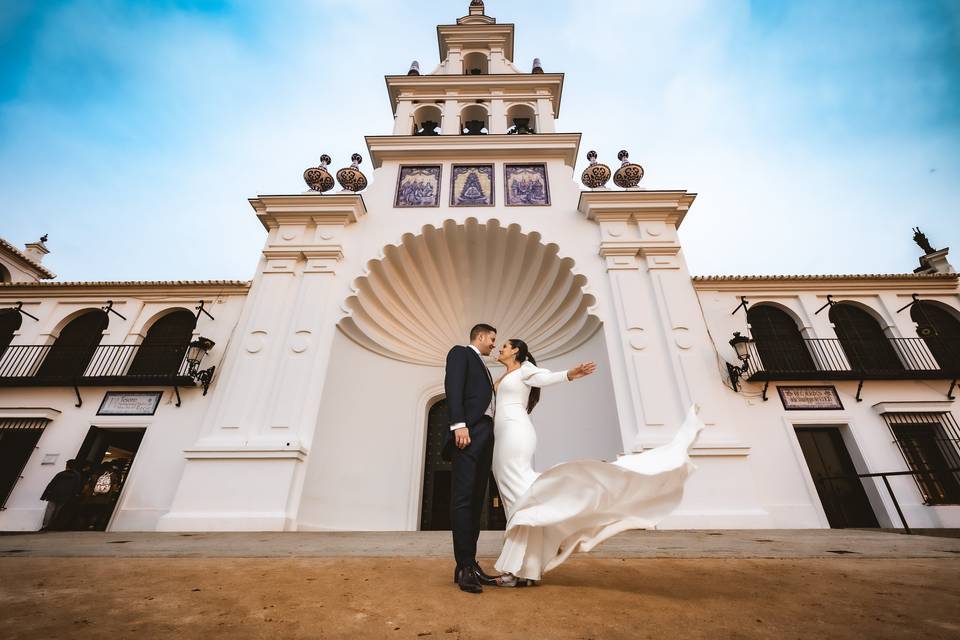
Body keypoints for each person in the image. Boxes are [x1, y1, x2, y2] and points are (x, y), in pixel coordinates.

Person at [490, 338, 705, 585]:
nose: (500, 349)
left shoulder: (526, 369)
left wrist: (571, 374)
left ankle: (517, 569)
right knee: (517, 495)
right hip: (504, 435)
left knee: (519, 495)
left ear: (516, 350)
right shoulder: (506, 374)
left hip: (516, 434)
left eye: (504, 346)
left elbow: (545, 378)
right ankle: (526, 568)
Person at [443, 323, 499, 594]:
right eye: (492, 339)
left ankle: (469, 564)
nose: (494, 344)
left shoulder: (485, 367)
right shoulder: (460, 354)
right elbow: (453, 388)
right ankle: (463, 566)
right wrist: (459, 424)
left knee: (477, 501)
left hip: (486, 434)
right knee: (464, 499)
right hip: (469, 431)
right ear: (480, 336)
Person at [39, 459, 83, 531]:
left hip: (54, 494)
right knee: (58, 512)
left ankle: (45, 526)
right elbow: (77, 487)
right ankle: (52, 526)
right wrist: (74, 496)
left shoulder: (60, 474)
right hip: (66, 496)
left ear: (67, 466)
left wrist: (44, 495)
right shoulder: (77, 475)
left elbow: (51, 484)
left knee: (49, 510)